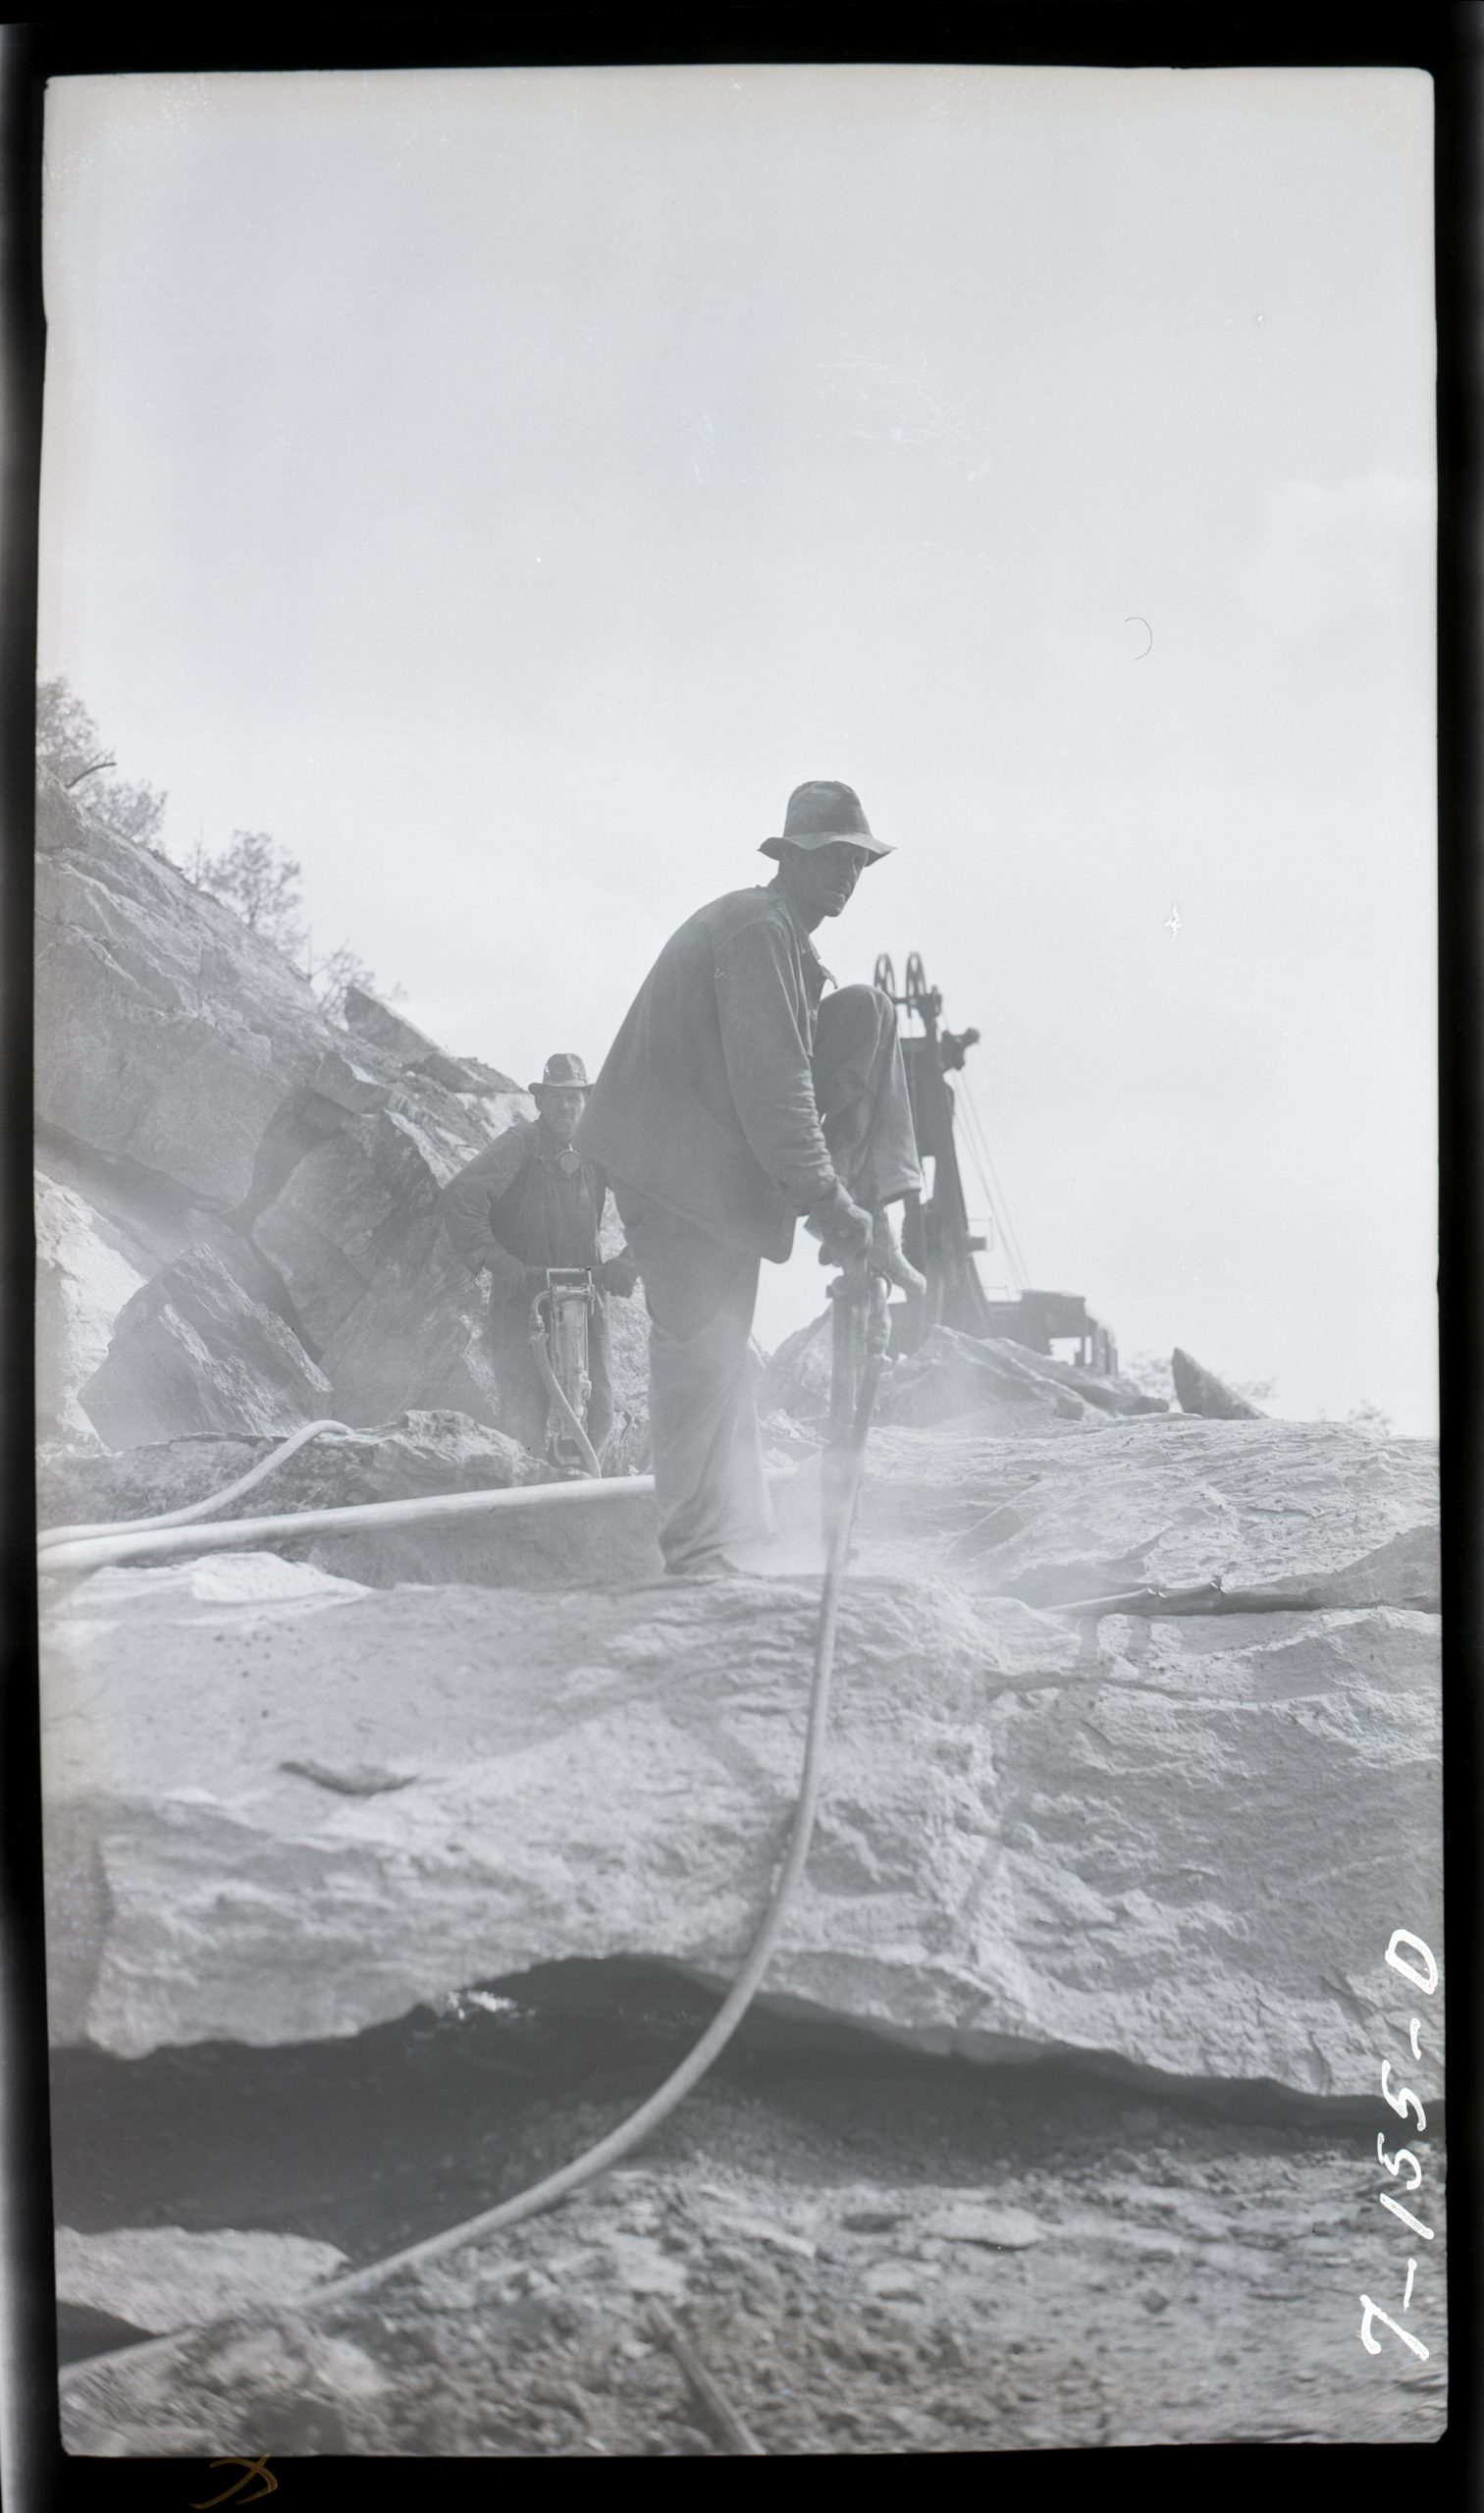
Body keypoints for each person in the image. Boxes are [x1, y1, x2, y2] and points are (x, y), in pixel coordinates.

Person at [577, 779, 924, 1577]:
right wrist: (832, 1211)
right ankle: (699, 1552)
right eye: (831, 858)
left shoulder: (788, 945)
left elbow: (807, 1076)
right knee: (701, 1347)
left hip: (714, 1168)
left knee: (870, 1013)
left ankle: (739, 1534)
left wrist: (867, 1218)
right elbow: (779, 1096)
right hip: (673, 1168)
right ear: (791, 860)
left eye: (857, 862)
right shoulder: (757, 933)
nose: (846, 874)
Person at [441, 1052, 639, 1466]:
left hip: (586, 1295)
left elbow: (653, 1205)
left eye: (574, 1098)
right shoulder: (519, 1144)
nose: (566, 1107)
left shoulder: (599, 1152)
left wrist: (628, 1262)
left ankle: (583, 1497)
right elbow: (462, 1198)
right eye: (556, 1097)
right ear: (540, 1102)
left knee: (598, 1407)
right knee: (523, 1415)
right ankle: (527, 1504)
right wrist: (499, 1260)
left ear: (587, 1103)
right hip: (524, 1298)